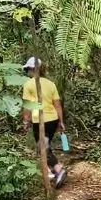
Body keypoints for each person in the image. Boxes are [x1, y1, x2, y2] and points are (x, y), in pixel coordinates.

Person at [21, 56, 67, 188]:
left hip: (39, 121)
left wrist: (26, 121)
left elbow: (28, 105)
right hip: (52, 120)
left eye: (28, 69)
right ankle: (51, 171)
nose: (27, 72)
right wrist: (61, 121)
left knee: (43, 148)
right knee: (44, 146)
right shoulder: (50, 84)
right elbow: (57, 104)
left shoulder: (29, 85)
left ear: (34, 69)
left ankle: (58, 169)